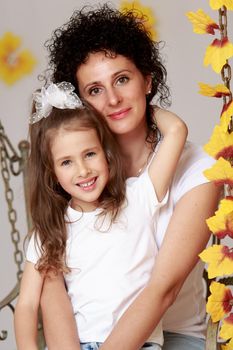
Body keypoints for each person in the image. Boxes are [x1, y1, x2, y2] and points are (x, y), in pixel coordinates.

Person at [38, 4, 221, 350]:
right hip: (81, 339)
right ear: (81, 102)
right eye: (94, 90)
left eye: (122, 79)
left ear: (147, 80)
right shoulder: (77, 171)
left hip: (172, 338)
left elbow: (162, 289)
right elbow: (52, 285)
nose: (113, 99)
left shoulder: (199, 168)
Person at [14, 81, 188, 350]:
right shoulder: (51, 231)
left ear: (107, 153)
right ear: (53, 173)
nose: (83, 170)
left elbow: (176, 130)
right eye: (67, 162)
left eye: (90, 154)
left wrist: (137, 109)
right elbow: (26, 304)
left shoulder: (138, 197)